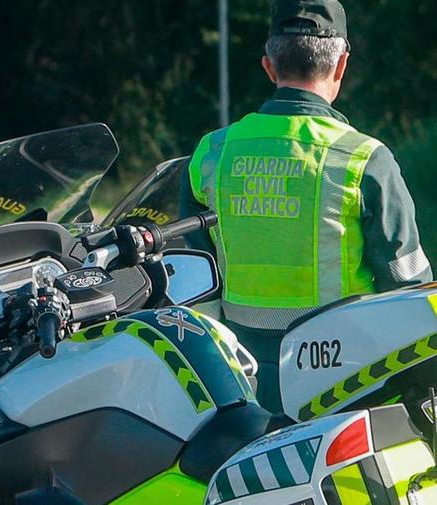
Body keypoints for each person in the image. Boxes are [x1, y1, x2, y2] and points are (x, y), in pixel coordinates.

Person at [181, 0, 432, 412]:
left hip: (239, 385)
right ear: (341, 65)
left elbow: (193, 279)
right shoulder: (364, 158)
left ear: (268, 66)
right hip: (344, 386)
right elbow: (409, 288)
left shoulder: (211, 154)